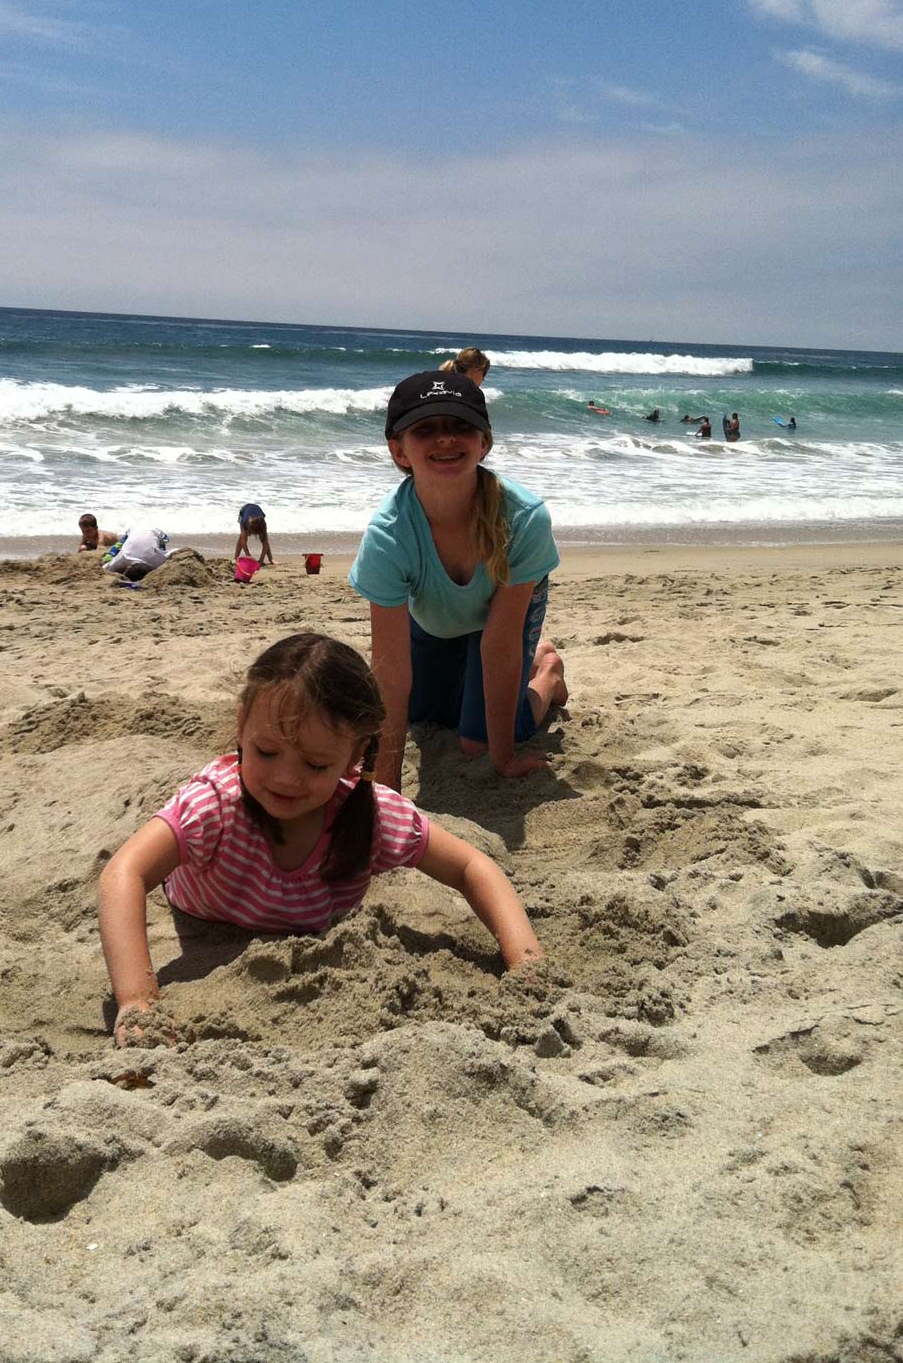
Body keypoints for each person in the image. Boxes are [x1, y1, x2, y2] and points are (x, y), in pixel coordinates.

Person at [98, 632, 545, 1045]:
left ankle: (546, 678)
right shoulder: (215, 804)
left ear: (354, 757)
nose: (286, 779)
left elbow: (472, 867)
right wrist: (138, 1001)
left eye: (315, 765)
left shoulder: (369, 815)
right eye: (266, 752)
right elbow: (124, 872)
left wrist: (526, 962)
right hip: (201, 913)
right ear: (242, 728)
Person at [348, 371, 566, 792]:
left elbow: (499, 645)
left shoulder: (524, 519)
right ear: (399, 450)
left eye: (461, 427)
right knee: (419, 715)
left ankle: (548, 674)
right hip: (436, 619)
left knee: (473, 742)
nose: (446, 439)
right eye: (426, 429)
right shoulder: (388, 535)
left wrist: (502, 759)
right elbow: (390, 671)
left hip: (499, 622)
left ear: (484, 443)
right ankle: (519, 660)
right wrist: (386, 790)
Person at [103, 527, 173, 581]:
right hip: (135, 530)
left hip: (156, 532)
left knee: (107, 559)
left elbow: (173, 551)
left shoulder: (157, 561)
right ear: (128, 567)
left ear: (128, 567)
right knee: (108, 558)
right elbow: (105, 568)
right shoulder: (124, 557)